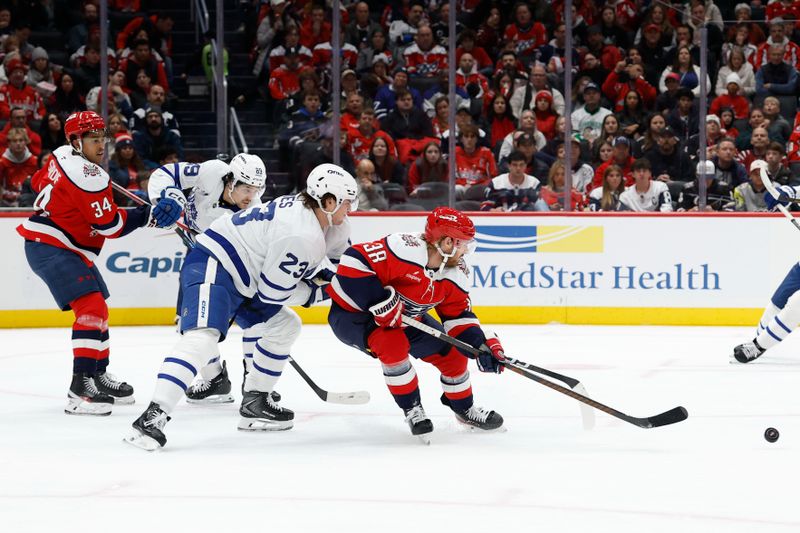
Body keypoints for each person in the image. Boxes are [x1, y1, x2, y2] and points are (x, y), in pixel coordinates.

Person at [126, 164, 358, 450]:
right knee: (202, 337)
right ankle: (153, 415)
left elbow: (344, 265)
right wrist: (320, 291)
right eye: (347, 201)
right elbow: (275, 294)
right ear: (328, 201)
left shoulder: (325, 222)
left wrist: (338, 277)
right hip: (215, 264)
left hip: (245, 279)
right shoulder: (301, 235)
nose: (352, 207)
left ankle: (255, 401)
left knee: (286, 326)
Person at [16, 111, 181, 415]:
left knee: (98, 309)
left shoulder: (60, 156)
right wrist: (149, 216)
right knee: (90, 308)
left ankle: (97, 374)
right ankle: (80, 388)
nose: (101, 145)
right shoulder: (87, 176)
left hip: (60, 244)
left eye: (102, 138)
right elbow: (110, 226)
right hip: (52, 245)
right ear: (75, 141)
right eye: (93, 139)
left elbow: (37, 183)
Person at [327, 207, 505, 441]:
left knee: (453, 355)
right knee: (394, 345)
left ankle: (464, 409)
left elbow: (457, 317)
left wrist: (479, 345)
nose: (465, 250)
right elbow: (352, 261)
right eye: (463, 244)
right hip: (355, 315)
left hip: (406, 319)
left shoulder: (456, 271)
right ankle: (412, 409)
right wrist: (378, 301)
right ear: (448, 242)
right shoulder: (403, 248)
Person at [482, 150, 546, 212]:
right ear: (509, 166)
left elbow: (542, 208)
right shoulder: (496, 183)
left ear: (526, 166)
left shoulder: (534, 183)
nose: (518, 168)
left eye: (521, 165)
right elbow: (484, 206)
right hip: (501, 220)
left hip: (528, 220)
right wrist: (493, 210)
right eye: (515, 165)